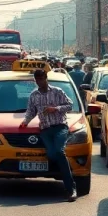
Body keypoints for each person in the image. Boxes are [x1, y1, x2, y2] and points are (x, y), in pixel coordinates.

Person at [19, 68, 77, 202]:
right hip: (45, 129)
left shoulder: (57, 92)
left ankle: (71, 188)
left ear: (46, 78)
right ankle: (63, 169)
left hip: (60, 127)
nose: (39, 82)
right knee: (52, 154)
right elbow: (30, 111)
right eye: (37, 80)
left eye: (41, 79)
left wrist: (55, 109)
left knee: (59, 151)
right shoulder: (34, 95)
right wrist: (25, 122)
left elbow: (70, 105)